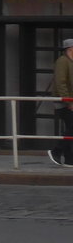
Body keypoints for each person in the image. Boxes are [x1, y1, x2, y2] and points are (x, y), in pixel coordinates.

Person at [48, 38, 73, 167]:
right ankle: (56, 151)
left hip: (69, 101)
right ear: (69, 49)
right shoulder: (62, 61)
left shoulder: (70, 61)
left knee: (70, 128)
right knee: (72, 128)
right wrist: (68, 101)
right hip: (64, 102)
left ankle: (69, 159)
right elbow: (61, 83)